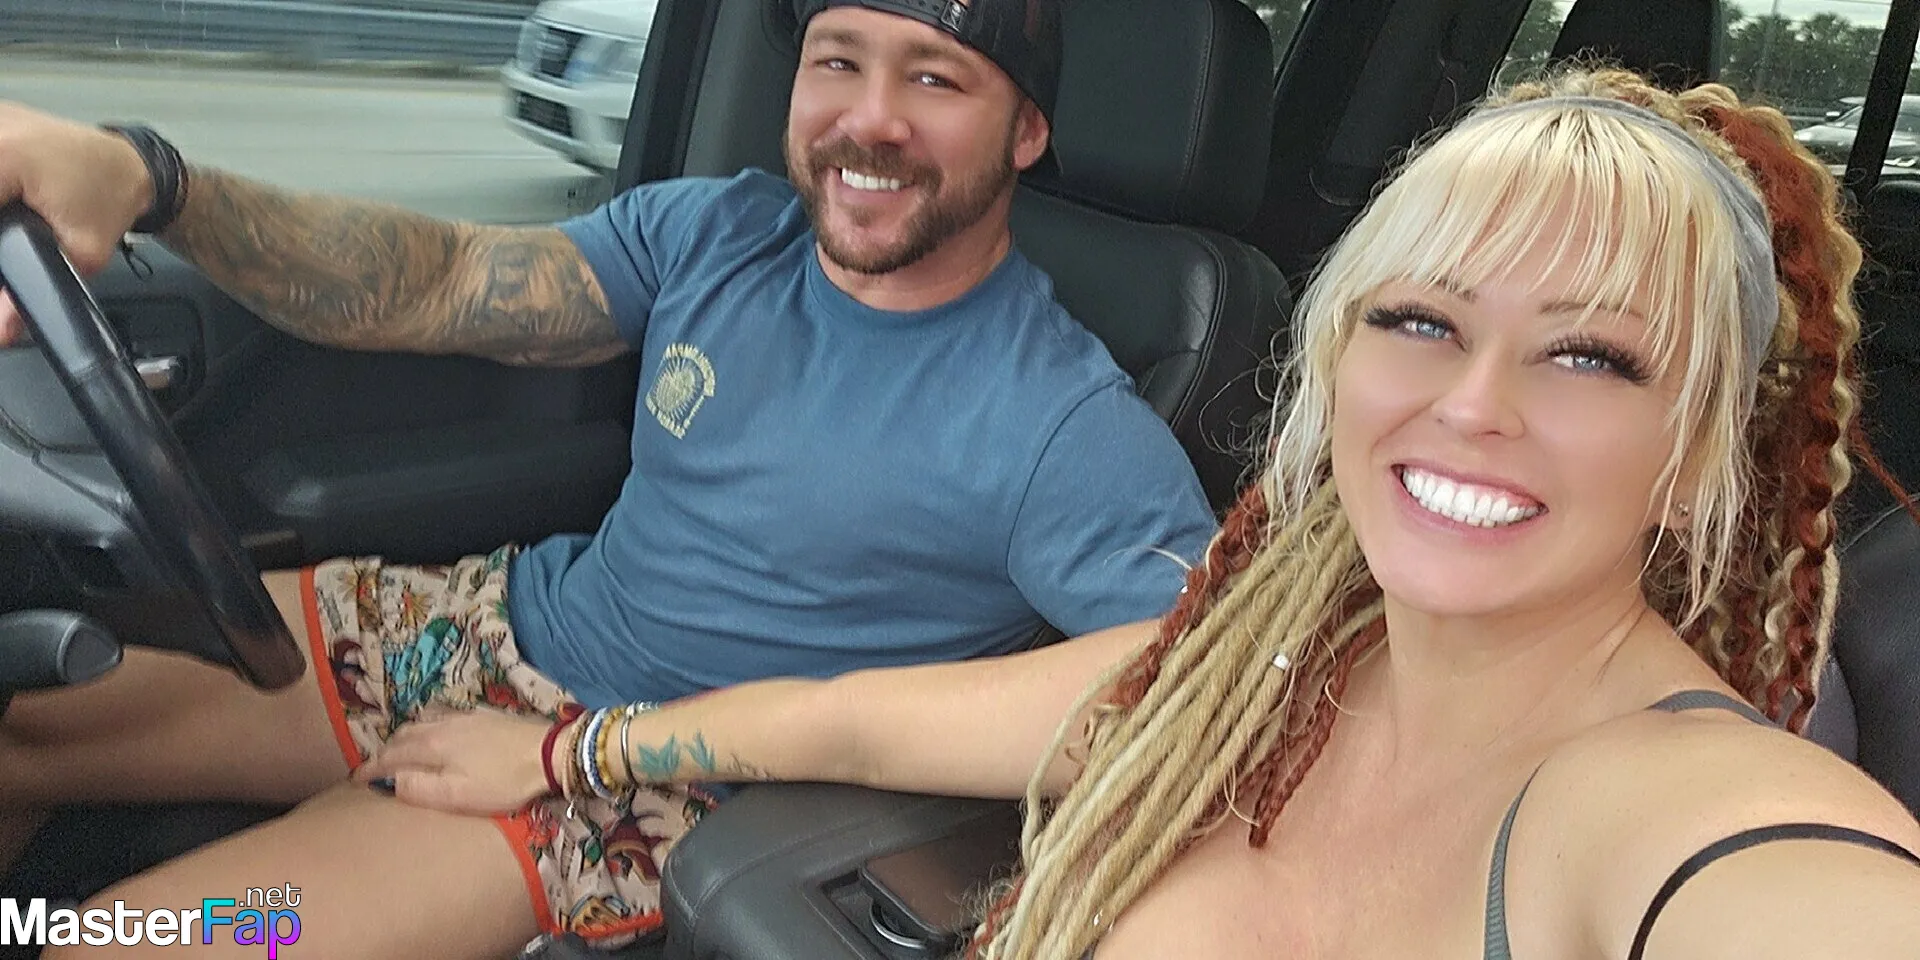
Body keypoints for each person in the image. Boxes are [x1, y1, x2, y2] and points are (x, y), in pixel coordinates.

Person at [357, 67, 1920, 959]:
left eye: (1592, 355)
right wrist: (568, 752)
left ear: (1701, 449)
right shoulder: (1249, 672)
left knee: (245, 930)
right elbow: (861, 722)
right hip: (467, 652)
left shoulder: (1684, 818)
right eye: (1419, 321)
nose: (1474, 404)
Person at [0, 0, 1221, 954]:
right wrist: (158, 184)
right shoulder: (723, 232)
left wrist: (577, 754)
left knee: (128, 945)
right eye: (837, 60)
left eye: (936, 79)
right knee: (20, 717)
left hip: (658, 791)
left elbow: (1189, 696)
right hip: (491, 628)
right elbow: (440, 281)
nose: (872, 118)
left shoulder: (1066, 423)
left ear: (1027, 130)